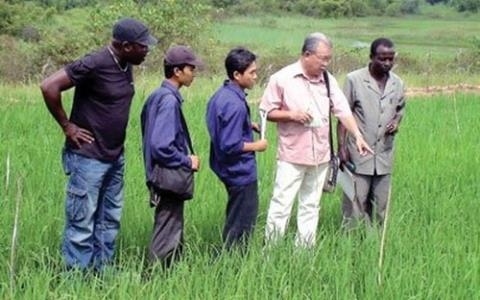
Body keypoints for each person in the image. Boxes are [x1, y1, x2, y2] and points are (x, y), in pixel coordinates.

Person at [40, 18, 156, 271]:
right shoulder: (94, 62)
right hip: (88, 158)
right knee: (82, 223)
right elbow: (49, 86)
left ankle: (102, 273)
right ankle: (77, 280)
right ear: (126, 46)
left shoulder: (126, 64)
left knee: (109, 220)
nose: (147, 51)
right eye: (143, 46)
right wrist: (67, 126)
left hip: (115, 156)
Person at [260, 32, 373, 248]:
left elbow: (342, 110)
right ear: (307, 54)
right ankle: (270, 252)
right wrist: (292, 115)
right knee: (281, 205)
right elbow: (267, 111)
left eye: (329, 58)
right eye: (322, 58)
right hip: (292, 155)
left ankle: (304, 253)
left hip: (320, 156)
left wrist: (357, 135)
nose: (326, 63)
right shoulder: (282, 79)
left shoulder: (328, 81)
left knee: (311, 206)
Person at [141, 45, 202, 265]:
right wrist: (187, 160)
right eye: (191, 68)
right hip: (169, 176)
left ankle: (170, 274)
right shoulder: (168, 100)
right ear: (177, 71)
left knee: (171, 227)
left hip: (159, 175)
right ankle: (153, 278)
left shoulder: (157, 96)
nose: (194, 73)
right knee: (167, 230)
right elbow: (161, 146)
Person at [338, 38, 406, 227]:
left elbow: (400, 109)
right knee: (355, 204)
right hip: (358, 154)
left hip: (384, 153)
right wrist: (341, 147)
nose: (387, 63)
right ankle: (350, 243)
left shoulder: (398, 83)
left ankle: (373, 244)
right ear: (371, 57)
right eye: (382, 59)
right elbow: (344, 114)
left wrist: (396, 122)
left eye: (391, 59)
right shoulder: (354, 80)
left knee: (380, 206)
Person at [206, 47, 268, 250]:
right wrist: (257, 146)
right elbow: (230, 144)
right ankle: (233, 262)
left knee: (235, 217)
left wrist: (246, 125)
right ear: (236, 74)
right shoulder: (235, 104)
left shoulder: (221, 96)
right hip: (239, 172)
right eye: (252, 72)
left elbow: (220, 124)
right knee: (242, 224)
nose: (255, 76)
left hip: (225, 168)